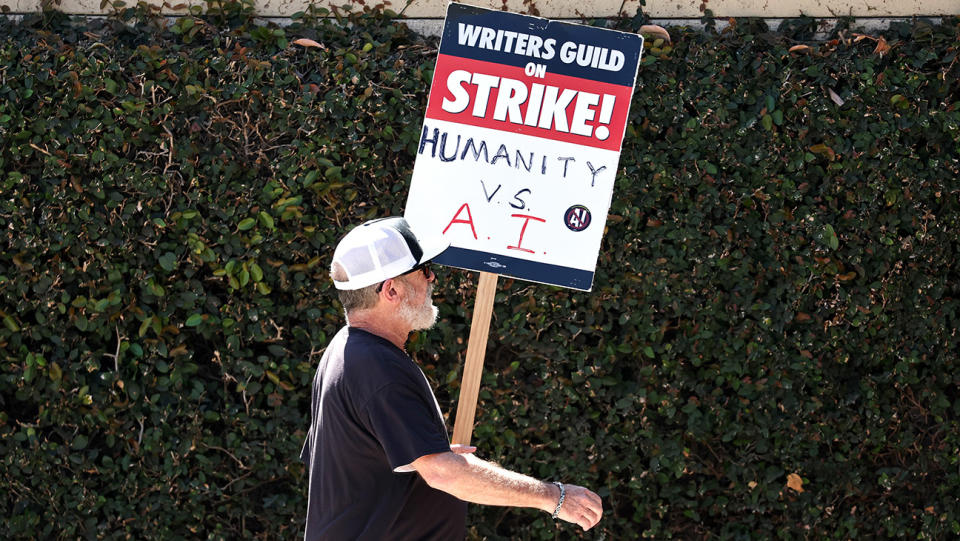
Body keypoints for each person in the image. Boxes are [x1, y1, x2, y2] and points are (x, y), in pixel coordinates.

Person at [301, 216, 603, 540]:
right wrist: (554, 497)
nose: (432, 278)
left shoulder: (349, 351)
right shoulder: (378, 369)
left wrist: (428, 452)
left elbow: (364, 461)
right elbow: (444, 475)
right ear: (391, 290)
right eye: (424, 269)